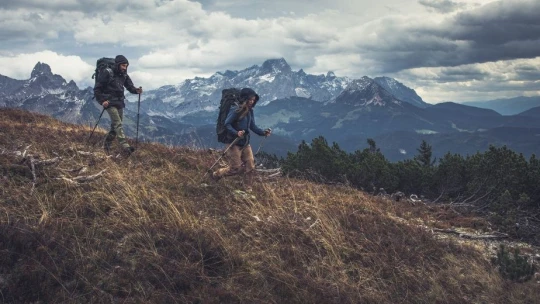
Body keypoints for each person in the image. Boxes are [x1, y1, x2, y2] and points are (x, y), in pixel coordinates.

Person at [211, 88, 271, 192]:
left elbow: (252, 126)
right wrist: (236, 132)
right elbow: (227, 124)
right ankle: (217, 174)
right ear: (245, 99)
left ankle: (248, 188)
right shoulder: (235, 110)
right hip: (234, 143)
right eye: (250, 99)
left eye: (253, 100)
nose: (252, 102)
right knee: (235, 168)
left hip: (245, 143)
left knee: (250, 165)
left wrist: (263, 132)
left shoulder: (250, 111)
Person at [93, 55, 143, 155]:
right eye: (123, 66)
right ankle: (125, 147)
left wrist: (136, 91)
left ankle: (106, 147)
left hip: (119, 102)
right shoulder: (107, 73)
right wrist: (103, 101)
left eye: (126, 66)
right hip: (109, 102)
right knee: (117, 123)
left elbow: (130, 87)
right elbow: (97, 89)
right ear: (118, 64)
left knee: (114, 128)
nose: (125, 68)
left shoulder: (124, 75)